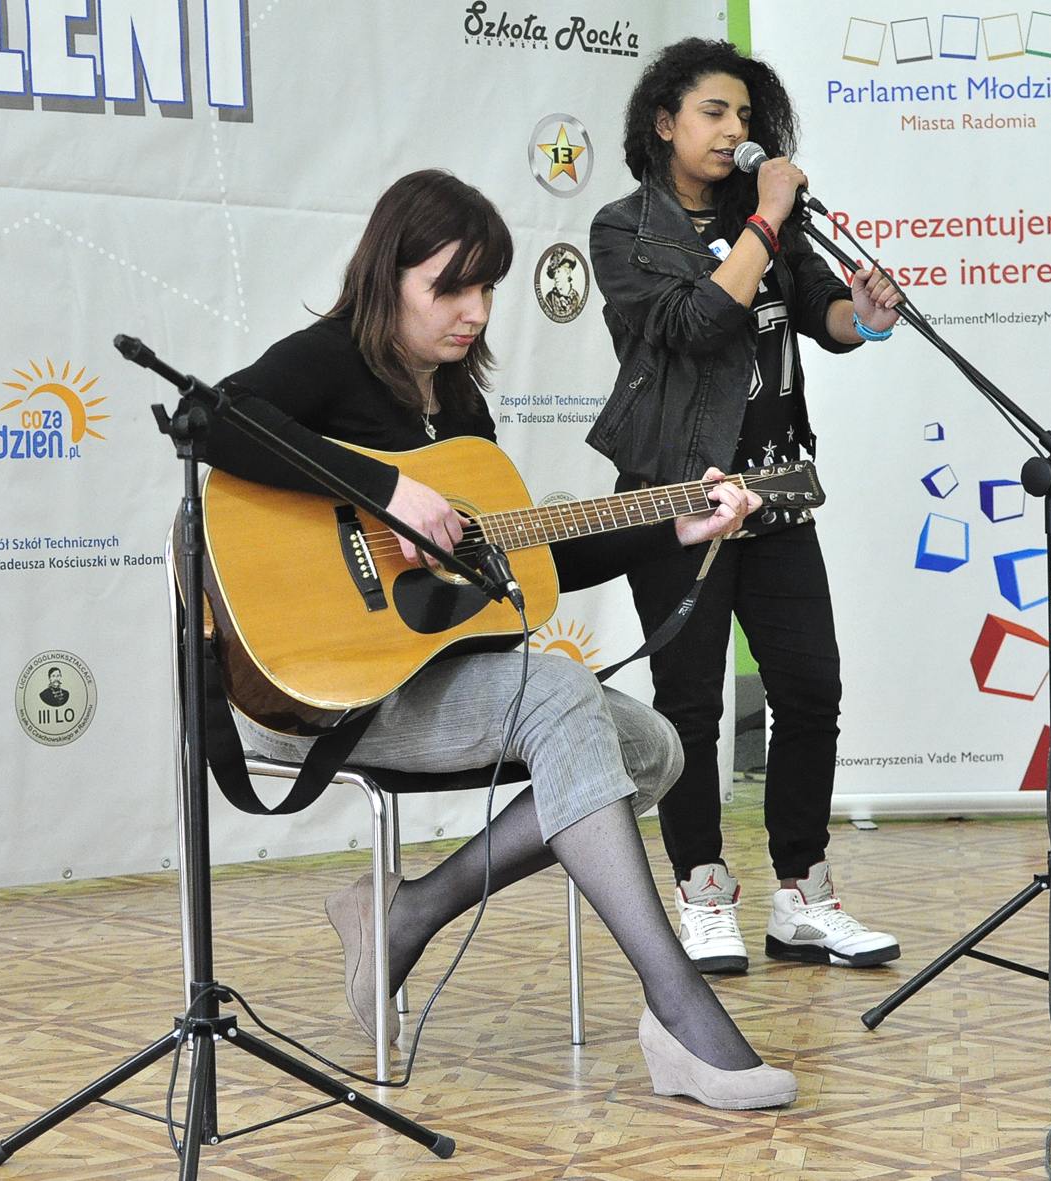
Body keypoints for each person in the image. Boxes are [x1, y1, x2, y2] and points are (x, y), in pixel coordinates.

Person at [204, 169, 796, 1110]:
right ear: (388, 276)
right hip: (313, 694)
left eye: (486, 288)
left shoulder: (458, 410)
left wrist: (671, 527)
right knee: (559, 691)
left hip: (423, 675)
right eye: (450, 287)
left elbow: (522, 561)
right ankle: (676, 1004)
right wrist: (386, 491)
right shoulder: (329, 360)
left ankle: (414, 909)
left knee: (652, 747)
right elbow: (213, 419)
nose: (475, 311)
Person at [587, 39, 904, 975]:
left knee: (810, 690)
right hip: (677, 497)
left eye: (745, 116)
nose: (735, 130)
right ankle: (703, 892)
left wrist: (865, 315)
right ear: (664, 123)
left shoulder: (771, 223)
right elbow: (694, 324)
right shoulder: (624, 230)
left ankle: (804, 894)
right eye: (715, 112)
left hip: (776, 490)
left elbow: (823, 315)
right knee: (690, 705)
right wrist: (768, 216)